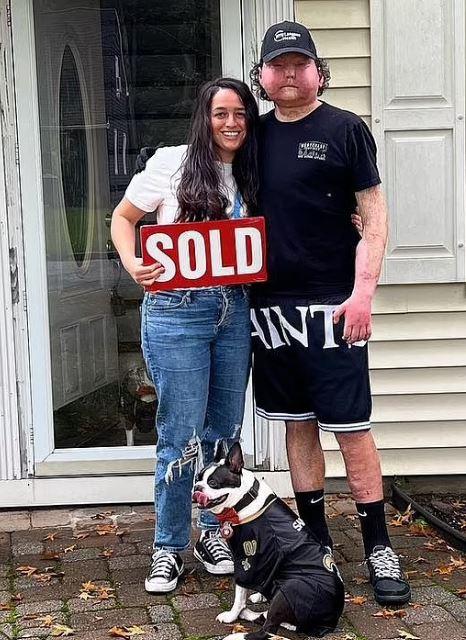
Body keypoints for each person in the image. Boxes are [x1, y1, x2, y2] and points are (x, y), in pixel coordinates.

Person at [249, 21, 411, 606]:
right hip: (268, 306)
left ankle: (377, 544)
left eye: (300, 64)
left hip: (336, 303)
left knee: (351, 427)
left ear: (319, 72)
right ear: (262, 76)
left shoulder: (347, 130)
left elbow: (373, 218)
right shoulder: (250, 136)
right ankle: (314, 541)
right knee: (297, 423)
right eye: (278, 65)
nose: (289, 74)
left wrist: (364, 293)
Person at [111, 77, 259, 593]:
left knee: (225, 430)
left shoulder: (255, 166)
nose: (232, 123)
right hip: (177, 311)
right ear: (205, 116)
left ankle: (214, 531)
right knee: (180, 435)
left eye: (240, 113)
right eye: (221, 113)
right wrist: (133, 263)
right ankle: (168, 546)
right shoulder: (171, 162)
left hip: (234, 309)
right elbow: (124, 218)